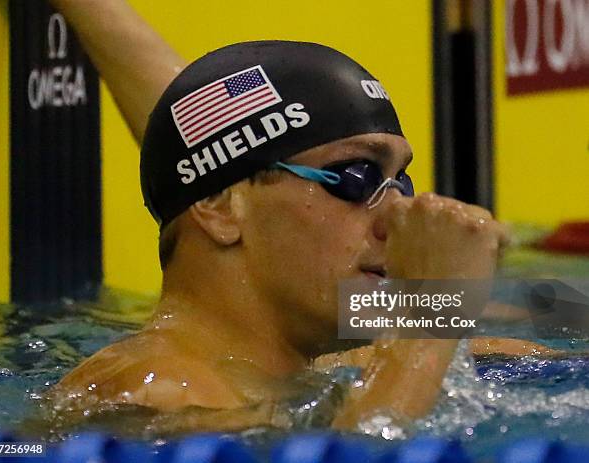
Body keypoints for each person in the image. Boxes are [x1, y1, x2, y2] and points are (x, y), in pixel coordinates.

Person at [46, 0, 553, 433]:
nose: (397, 215)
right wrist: (431, 316)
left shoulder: (310, 365)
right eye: (356, 176)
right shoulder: (152, 395)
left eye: (401, 182)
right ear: (220, 207)